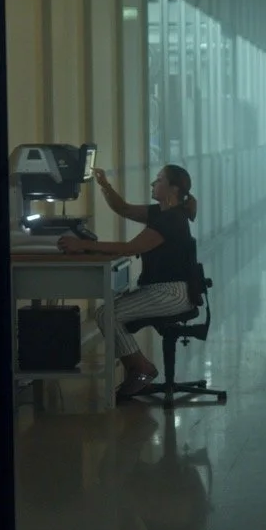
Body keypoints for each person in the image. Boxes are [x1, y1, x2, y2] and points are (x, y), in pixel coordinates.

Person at [58, 164, 199, 397]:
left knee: (107, 314)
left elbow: (130, 247)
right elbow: (123, 209)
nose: (154, 184)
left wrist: (83, 244)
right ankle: (137, 371)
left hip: (172, 293)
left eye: (159, 180)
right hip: (165, 290)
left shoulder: (171, 220)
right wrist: (104, 184)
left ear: (173, 189)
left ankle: (141, 368)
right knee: (109, 313)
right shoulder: (162, 213)